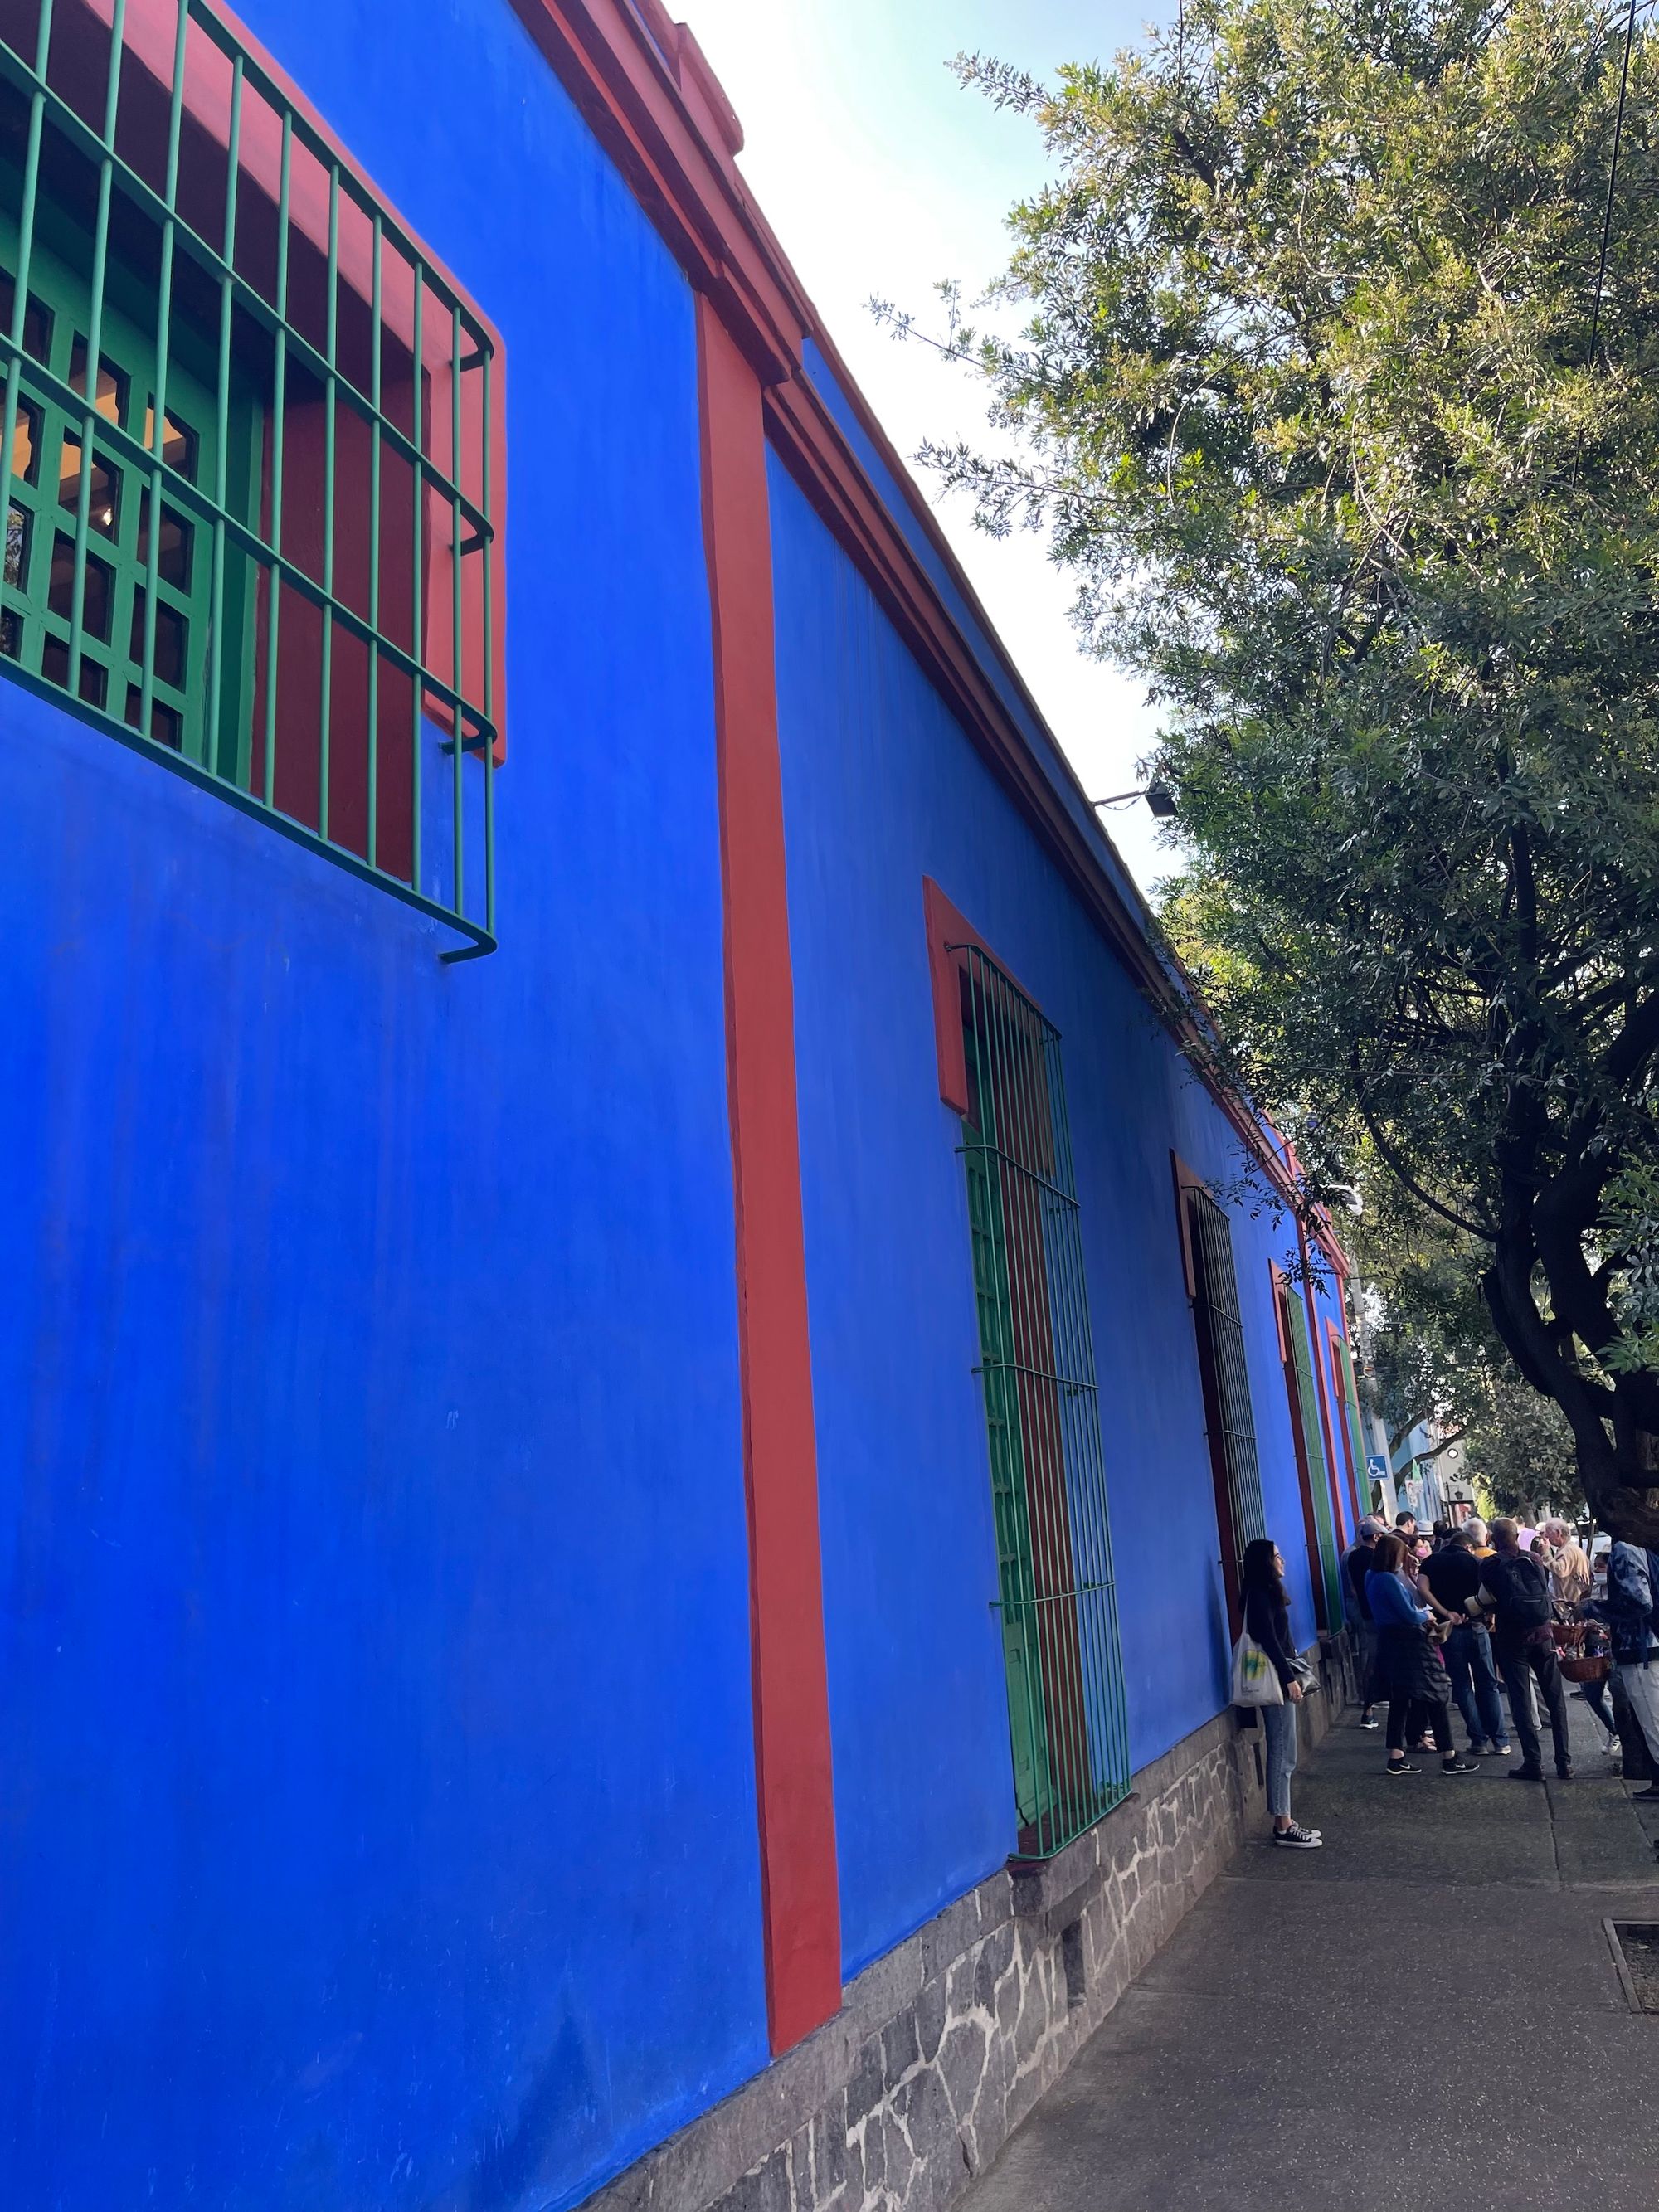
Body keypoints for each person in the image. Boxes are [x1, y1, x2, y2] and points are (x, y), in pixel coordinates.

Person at [1365, 1533, 1479, 1777]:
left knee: (1400, 1699)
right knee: (1436, 1693)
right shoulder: (1387, 1579)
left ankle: (1397, 1756)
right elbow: (1408, 1614)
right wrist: (1425, 1616)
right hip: (1408, 1642)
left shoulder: (1371, 1576)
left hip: (1390, 1641)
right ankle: (1448, 1756)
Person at [1241, 1538, 1322, 1845]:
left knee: (1285, 1749)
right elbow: (1268, 1640)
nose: (1283, 1560)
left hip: (1278, 1675)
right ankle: (1283, 1825)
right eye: (1277, 1555)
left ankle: (1284, 1818)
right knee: (1282, 1750)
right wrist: (1289, 1677)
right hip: (1275, 1679)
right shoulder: (1261, 1594)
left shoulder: (1263, 1592)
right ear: (1266, 1562)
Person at [1478, 1518, 1573, 1781]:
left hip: (1512, 1639)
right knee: (1555, 1701)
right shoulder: (1535, 1559)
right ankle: (1564, 1763)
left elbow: (1486, 1599)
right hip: (1543, 1635)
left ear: (1494, 1539)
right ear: (1516, 1535)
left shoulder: (1490, 1564)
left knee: (1520, 1702)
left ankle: (1533, 1763)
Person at [1418, 1526, 1510, 1757]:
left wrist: (1444, 1611)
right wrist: (1488, 1613)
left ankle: (1478, 1741)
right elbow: (1492, 1592)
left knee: (1462, 1686)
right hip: (1476, 1627)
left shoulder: (1430, 1562)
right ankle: (1500, 1741)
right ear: (1468, 1546)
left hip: (1448, 1630)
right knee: (1488, 1683)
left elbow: (1422, 1589)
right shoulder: (1476, 1562)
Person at [1587, 1539, 1659, 1802]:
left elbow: (1640, 1602)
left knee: (1654, 1727)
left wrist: (1593, 1607)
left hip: (1640, 1649)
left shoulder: (1626, 1547)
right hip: (1647, 1647)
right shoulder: (1645, 1543)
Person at [1342, 1516, 1385, 1729]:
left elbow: (1353, 1588)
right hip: (1383, 1615)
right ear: (1376, 1536)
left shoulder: (1351, 1557)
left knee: (1371, 1660)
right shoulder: (1378, 1558)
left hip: (1366, 1613)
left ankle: (1367, 1710)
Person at [1543, 1519, 1591, 1608]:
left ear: (1558, 1533)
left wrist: (1545, 1554)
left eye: (1548, 1532)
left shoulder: (1568, 1550)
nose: (1546, 1536)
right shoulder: (1568, 1548)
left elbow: (1561, 1570)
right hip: (1574, 1601)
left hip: (1572, 1603)